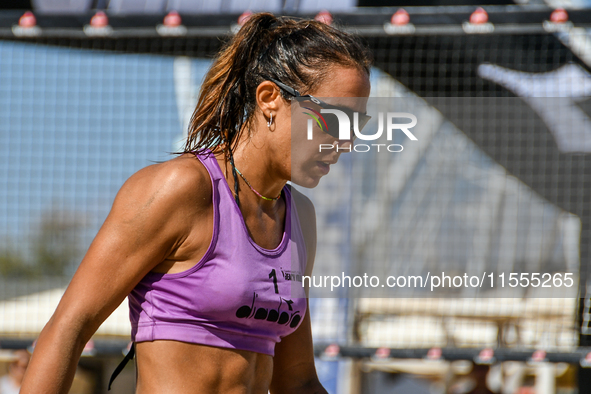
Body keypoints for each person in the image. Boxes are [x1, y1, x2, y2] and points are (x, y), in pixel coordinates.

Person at [20, 12, 371, 394]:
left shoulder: (300, 216)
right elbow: (70, 326)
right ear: (270, 99)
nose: (347, 141)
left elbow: (298, 381)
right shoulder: (182, 188)